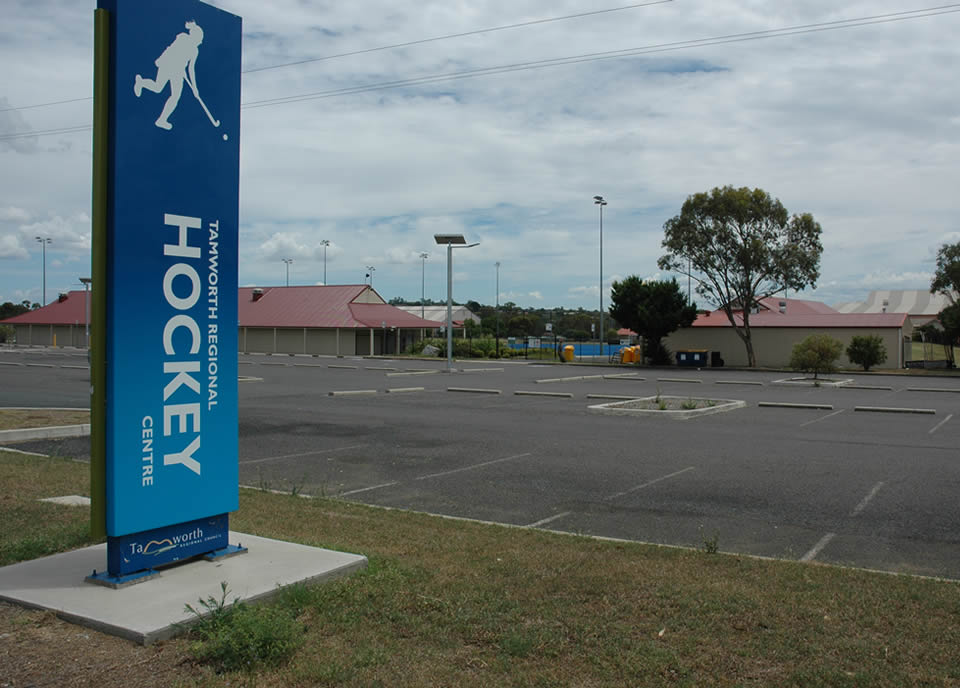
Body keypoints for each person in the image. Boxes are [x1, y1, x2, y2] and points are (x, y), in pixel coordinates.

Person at [134, 21, 204, 130]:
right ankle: (141, 82)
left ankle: (162, 120)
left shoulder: (195, 51)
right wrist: (179, 65)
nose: (200, 42)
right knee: (158, 87)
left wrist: (195, 88)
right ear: (195, 37)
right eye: (199, 39)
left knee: (175, 96)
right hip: (168, 65)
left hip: (178, 72)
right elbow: (174, 51)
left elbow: (191, 69)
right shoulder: (183, 38)